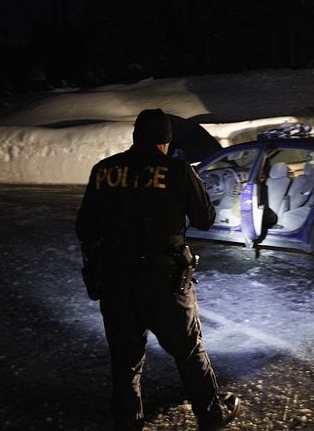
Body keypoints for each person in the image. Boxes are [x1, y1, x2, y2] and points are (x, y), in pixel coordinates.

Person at [75, 108, 240, 431]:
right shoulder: (177, 171)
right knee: (190, 352)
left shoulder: (104, 170)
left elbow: (85, 227)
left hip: (115, 280)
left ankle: (127, 419)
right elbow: (205, 219)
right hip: (164, 282)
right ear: (165, 141)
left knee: (126, 360)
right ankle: (210, 415)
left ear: (136, 137)